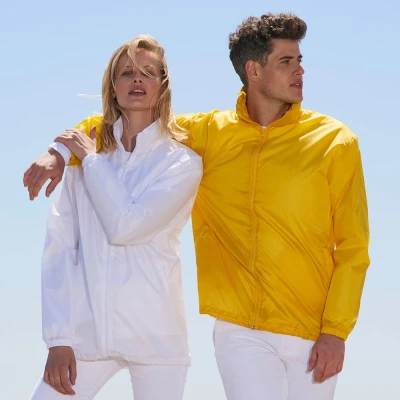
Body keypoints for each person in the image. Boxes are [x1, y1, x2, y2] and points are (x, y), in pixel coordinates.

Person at [24, 13, 370, 400]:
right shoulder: (210, 133)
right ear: (253, 70)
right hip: (240, 331)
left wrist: (336, 330)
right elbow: (122, 120)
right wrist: (58, 152)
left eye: (299, 60)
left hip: (310, 331)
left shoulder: (335, 141)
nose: (300, 70)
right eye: (286, 61)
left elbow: (353, 247)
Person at [28, 35, 203, 400]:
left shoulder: (182, 163)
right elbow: (60, 247)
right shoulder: (83, 158)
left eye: (148, 72)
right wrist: (59, 338)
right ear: (113, 86)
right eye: (126, 72)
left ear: (163, 86)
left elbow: (127, 226)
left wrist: (89, 159)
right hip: (86, 334)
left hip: (157, 337)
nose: (137, 79)